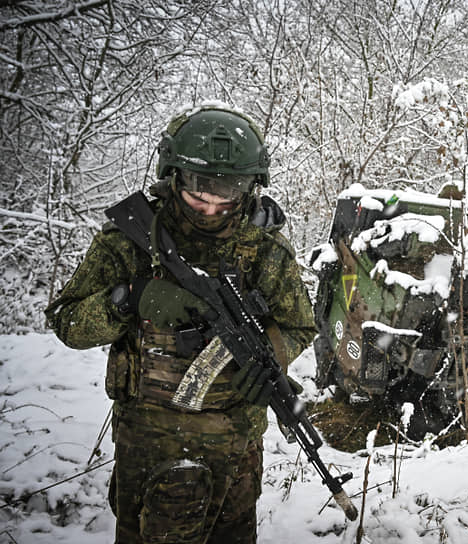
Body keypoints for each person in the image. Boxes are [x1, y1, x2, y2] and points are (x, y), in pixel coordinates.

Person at [45, 104, 317, 543]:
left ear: (251, 187)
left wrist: (268, 356)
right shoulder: (131, 240)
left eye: (226, 195)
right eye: (197, 192)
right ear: (172, 174)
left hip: (237, 450)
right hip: (150, 445)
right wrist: (130, 298)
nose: (210, 207)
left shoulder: (264, 249)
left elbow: (301, 326)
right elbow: (66, 321)